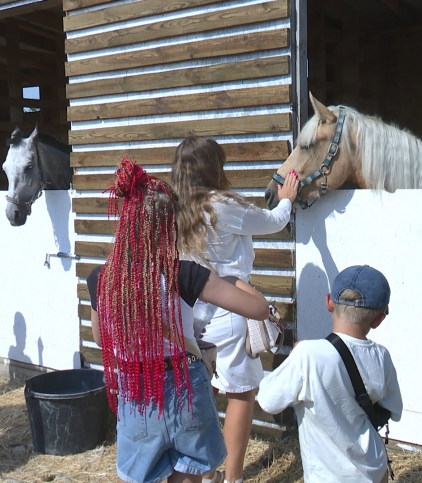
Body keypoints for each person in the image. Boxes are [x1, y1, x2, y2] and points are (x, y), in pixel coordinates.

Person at [86, 159, 270, 483]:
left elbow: (102, 340)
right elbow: (258, 310)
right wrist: (234, 279)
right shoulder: (186, 273)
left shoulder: (101, 279)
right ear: (170, 225)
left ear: (127, 221)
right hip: (185, 388)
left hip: (136, 395)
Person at [171, 137, 299, 483]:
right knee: (240, 395)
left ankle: (202, 470)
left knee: (203, 393)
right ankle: (232, 479)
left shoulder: (174, 208)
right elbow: (273, 221)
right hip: (229, 309)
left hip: (191, 317)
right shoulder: (221, 205)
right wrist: (287, 200)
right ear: (214, 167)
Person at [257, 265, 403, 483]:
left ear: (328, 302)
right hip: (374, 471)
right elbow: (392, 409)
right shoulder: (382, 356)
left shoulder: (308, 355)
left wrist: (295, 354)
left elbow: (267, 401)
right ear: (379, 319)